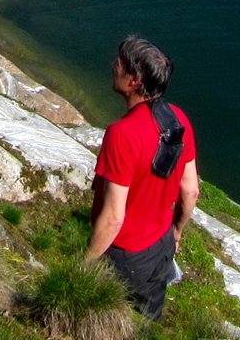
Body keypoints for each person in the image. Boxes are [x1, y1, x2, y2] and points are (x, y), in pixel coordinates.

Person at [83, 35, 199, 320]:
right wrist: (177, 233)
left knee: (105, 321)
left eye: (120, 65)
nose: (113, 67)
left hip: (125, 255)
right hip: (161, 245)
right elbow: (191, 191)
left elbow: (113, 218)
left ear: (134, 80)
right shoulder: (179, 119)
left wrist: (83, 266)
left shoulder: (121, 135)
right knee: (146, 323)